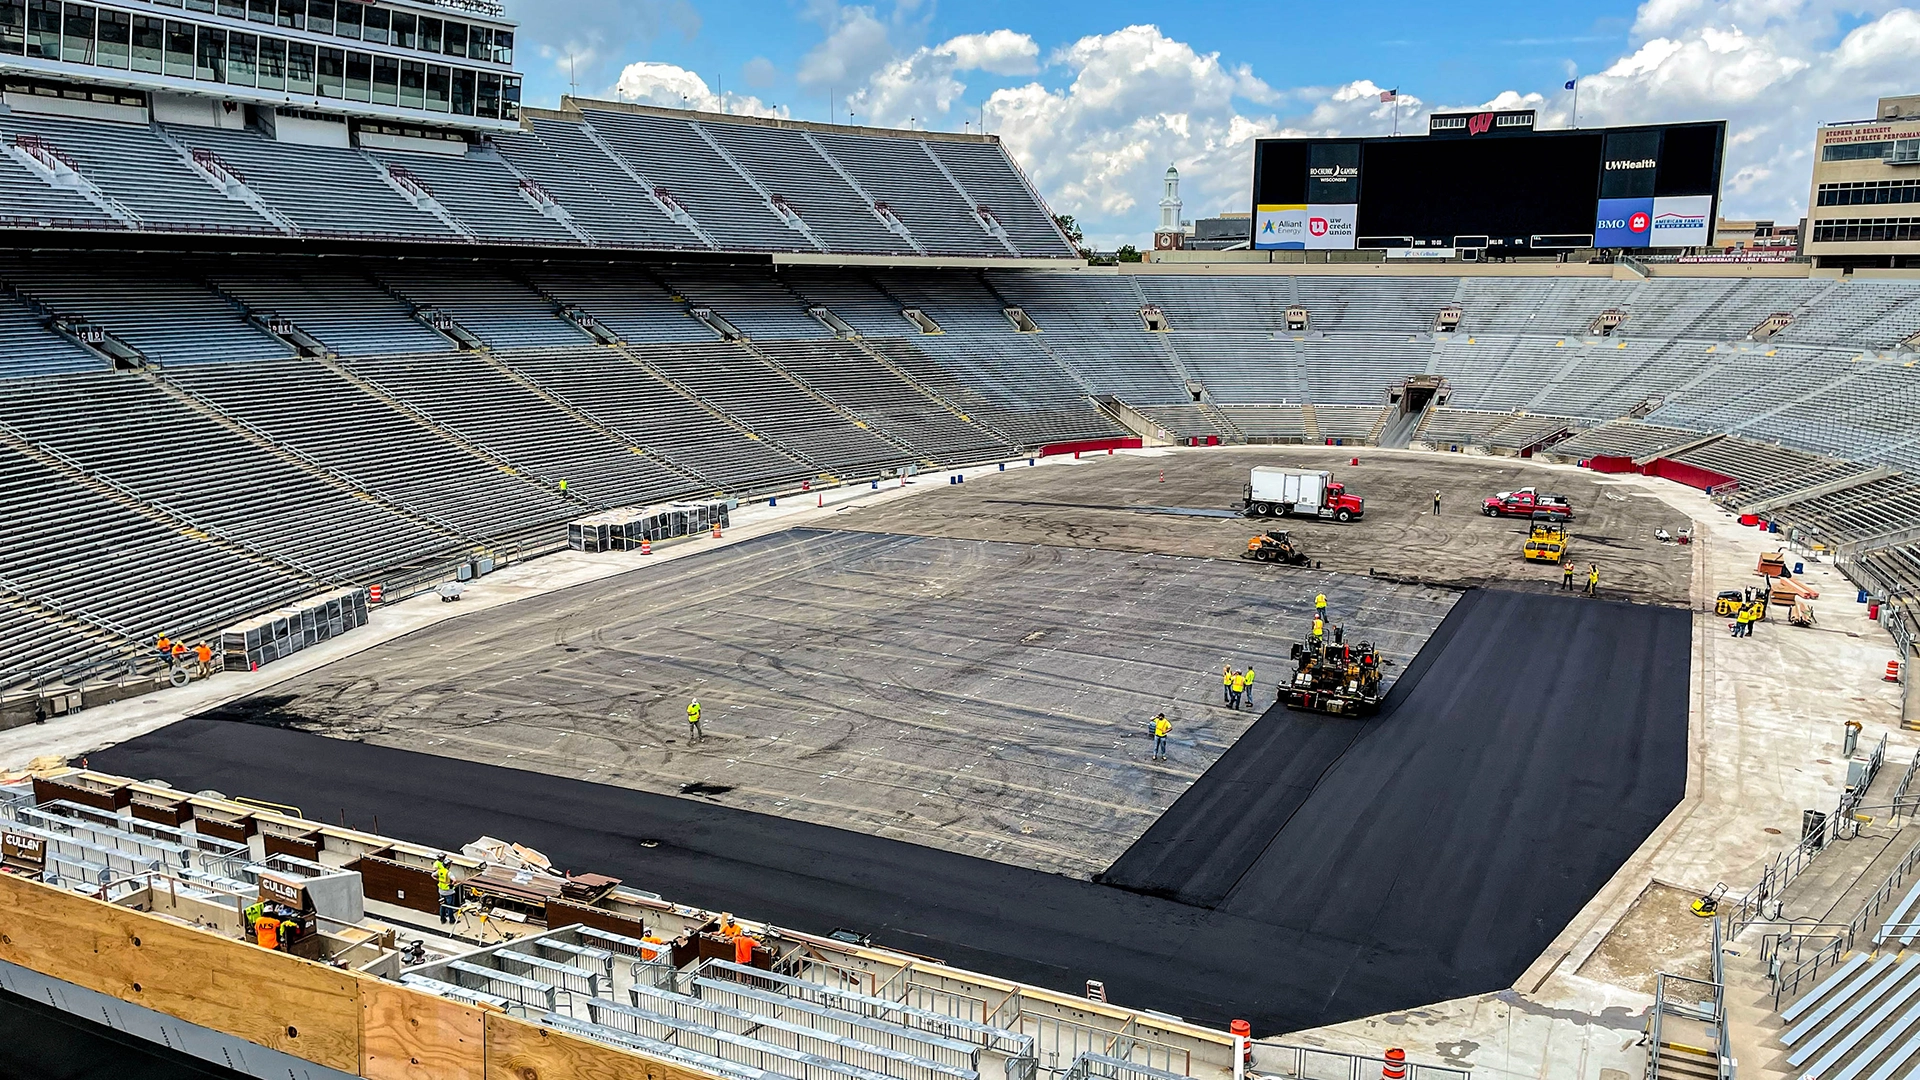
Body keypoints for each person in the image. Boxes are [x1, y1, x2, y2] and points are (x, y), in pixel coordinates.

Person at [433, 854, 456, 925]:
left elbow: (432, 875)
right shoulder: (448, 873)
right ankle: (451, 920)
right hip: (449, 892)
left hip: (441, 891)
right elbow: (454, 880)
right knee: (449, 906)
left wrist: (439, 880)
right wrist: (451, 884)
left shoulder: (440, 871)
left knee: (442, 905)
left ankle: (442, 919)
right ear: (448, 865)